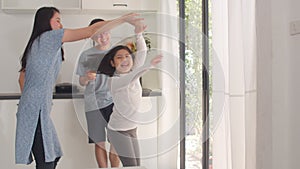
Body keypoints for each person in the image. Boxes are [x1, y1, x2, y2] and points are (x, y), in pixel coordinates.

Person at [15, 6, 142, 169]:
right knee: (46, 161)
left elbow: (22, 77)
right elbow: (92, 30)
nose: (61, 25)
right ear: (45, 22)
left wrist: (32, 100)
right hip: (35, 109)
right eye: (58, 20)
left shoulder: (39, 43)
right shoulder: (48, 37)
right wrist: (124, 19)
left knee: (53, 156)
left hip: (37, 108)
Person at [97, 31, 162, 166]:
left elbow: (142, 51)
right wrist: (149, 65)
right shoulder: (114, 81)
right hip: (118, 130)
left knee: (136, 166)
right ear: (112, 63)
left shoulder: (133, 72)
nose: (125, 59)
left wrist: (138, 34)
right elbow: (130, 79)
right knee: (132, 166)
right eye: (119, 57)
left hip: (132, 127)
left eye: (127, 56)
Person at [76, 18, 120, 168]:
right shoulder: (86, 55)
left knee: (116, 141)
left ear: (110, 32)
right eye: (98, 34)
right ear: (92, 36)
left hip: (114, 102)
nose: (102, 37)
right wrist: (86, 78)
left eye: (105, 33)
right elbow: (81, 81)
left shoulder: (117, 53)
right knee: (99, 143)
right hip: (93, 104)